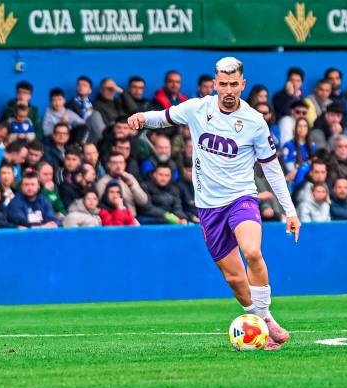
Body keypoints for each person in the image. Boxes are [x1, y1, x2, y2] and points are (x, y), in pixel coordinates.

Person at [128, 57, 300, 351]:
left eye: (234, 84)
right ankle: (263, 319)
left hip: (242, 198)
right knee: (234, 278)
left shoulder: (254, 122)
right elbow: (164, 116)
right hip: (208, 207)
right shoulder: (198, 109)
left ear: (242, 84)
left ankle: (264, 322)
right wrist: (141, 117)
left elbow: (271, 168)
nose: (228, 90)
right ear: (215, 84)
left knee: (252, 251)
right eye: (223, 84)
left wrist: (290, 211)